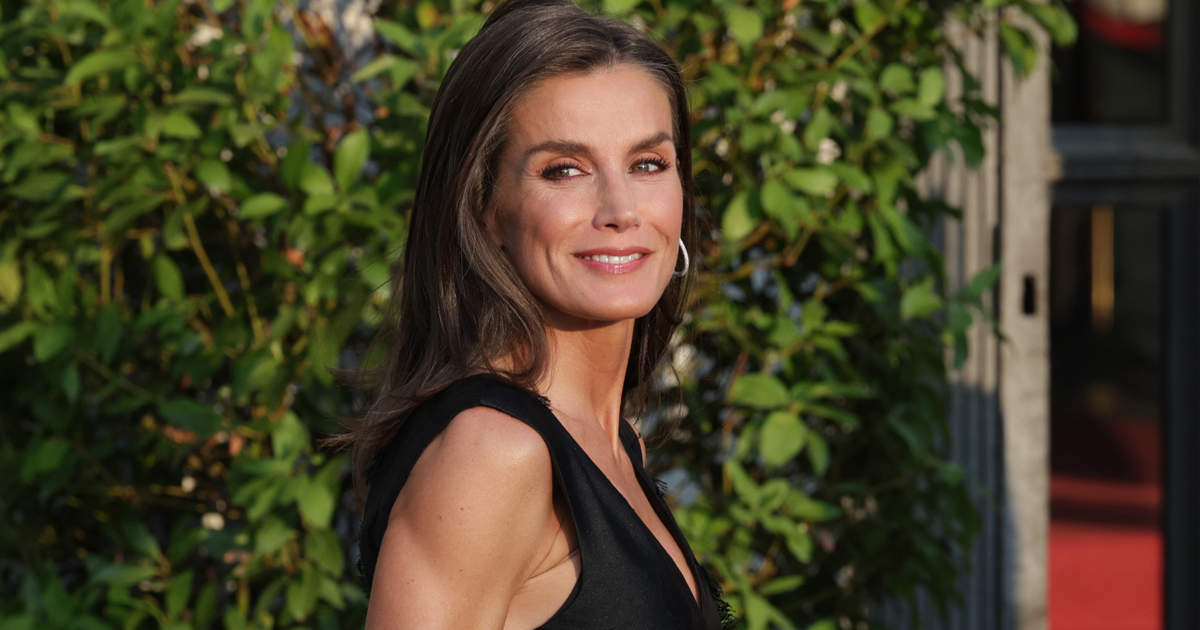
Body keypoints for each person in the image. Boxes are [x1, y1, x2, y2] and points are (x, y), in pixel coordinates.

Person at [344, 0, 727, 627]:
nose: (621, 209)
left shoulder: (610, 443)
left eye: (648, 164)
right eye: (565, 170)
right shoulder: (494, 453)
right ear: (487, 209)